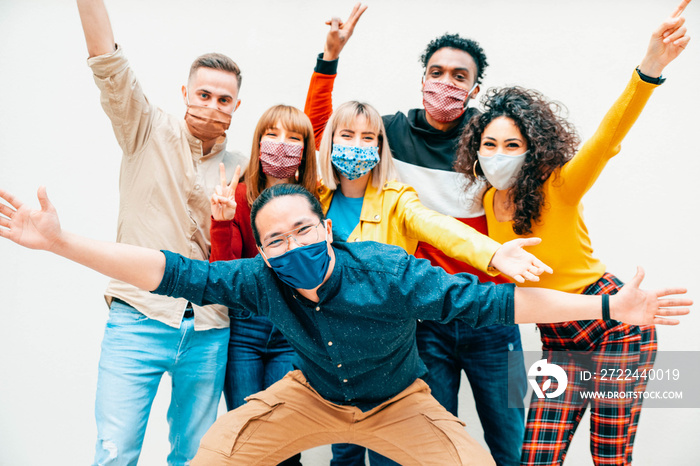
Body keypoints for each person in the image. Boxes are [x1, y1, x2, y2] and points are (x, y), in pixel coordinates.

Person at [0, 183, 690, 465]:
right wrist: (61, 243)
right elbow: (170, 270)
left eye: (303, 230)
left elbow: (499, 305)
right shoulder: (257, 279)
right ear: (263, 251)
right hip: (311, 396)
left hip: (399, 402)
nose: (292, 247)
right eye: (275, 240)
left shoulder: (388, 273)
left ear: (326, 228)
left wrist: (608, 309)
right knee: (214, 453)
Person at [453, 2, 691, 465]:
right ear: (476, 149)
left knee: (609, 457)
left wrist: (650, 68)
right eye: (490, 144)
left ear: (532, 148)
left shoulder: (558, 184)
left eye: (512, 145)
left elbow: (606, 139)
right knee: (537, 457)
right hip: (557, 340)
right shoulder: (486, 202)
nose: (499, 154)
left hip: (616, 327)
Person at [305, 5, 526, 464]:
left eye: (459, 76)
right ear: (422, 77)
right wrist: (329, 58)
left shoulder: (490, 140)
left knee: (511, 435)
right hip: (428, 319)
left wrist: (501, 254)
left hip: (494, 314)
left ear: (474, 88)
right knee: (427, 443)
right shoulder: (389, 134)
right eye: (436, 72)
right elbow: (325, 131)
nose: (446, 83)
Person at [76, 0, 247, 463]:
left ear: (236, 106)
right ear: (186, 93)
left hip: (209, 330)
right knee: (116, 451)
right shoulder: (145, 128)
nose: (212, 106)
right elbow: (109, 66)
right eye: (204, 94)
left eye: (224, 99)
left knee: (195, 456)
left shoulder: (241, 168)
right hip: (137, 318)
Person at [209, 104, 317, 466]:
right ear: (258, 143)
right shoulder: (240, 197)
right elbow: (224, 276)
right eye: (272, 134)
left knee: (285, 441)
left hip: (291, 330)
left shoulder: (313, 202)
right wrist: (222, 223)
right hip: (245, 330)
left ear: (306, 149)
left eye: (293, 137)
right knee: (246, 438)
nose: (281, 143)